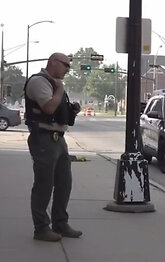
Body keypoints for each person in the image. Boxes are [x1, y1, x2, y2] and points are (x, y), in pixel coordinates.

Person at [25, 52, 82, 242]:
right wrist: (59, 91)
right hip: (43, 138)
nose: (68, 69)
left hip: (58, 138)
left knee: (64, 183)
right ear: (53, 62)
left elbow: (56, 110)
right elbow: (48, 108)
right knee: (44, 184)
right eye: (65, 65)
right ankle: (41, 228)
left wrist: (70, 109)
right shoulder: (39, 82)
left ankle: (60, 223)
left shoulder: (56, 84)